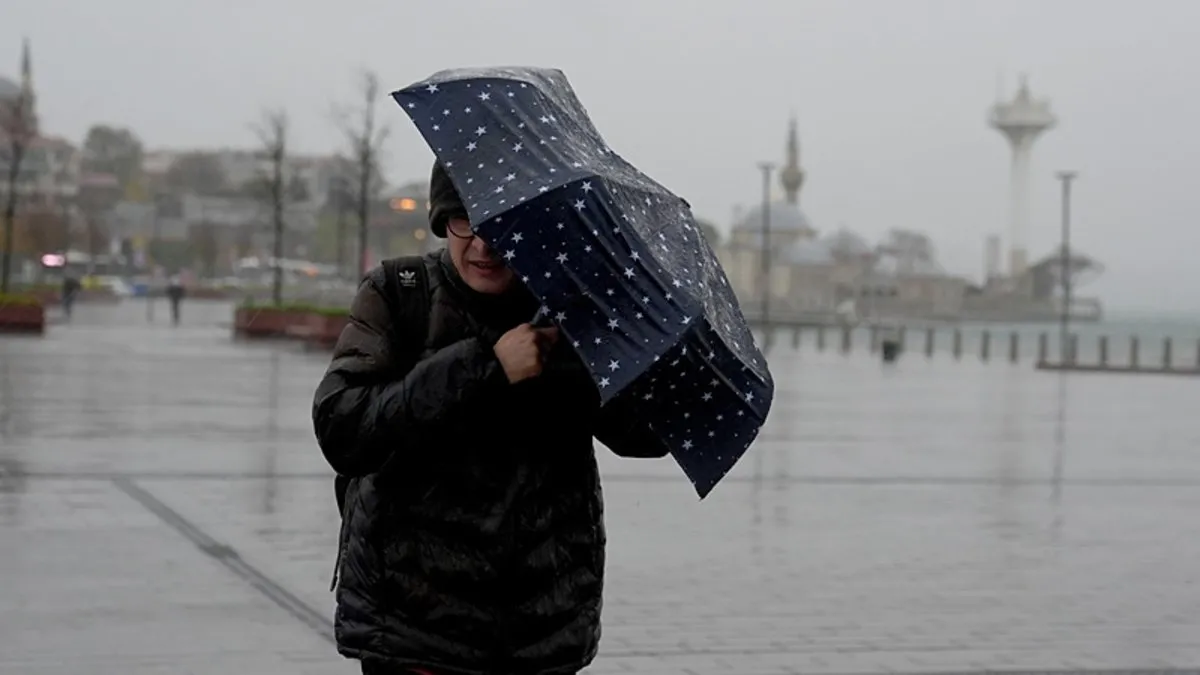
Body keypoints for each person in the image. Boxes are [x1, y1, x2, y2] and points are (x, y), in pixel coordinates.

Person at [312, 162, 667, 675]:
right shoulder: (399, 292)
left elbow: (646, 436)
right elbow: (344, 428)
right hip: (414, 633)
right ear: (441, 220)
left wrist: (601, 348)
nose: (483, 245)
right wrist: (485, 364)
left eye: (505, 225)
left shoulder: (570, 310)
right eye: (464, 221)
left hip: (540, 634)